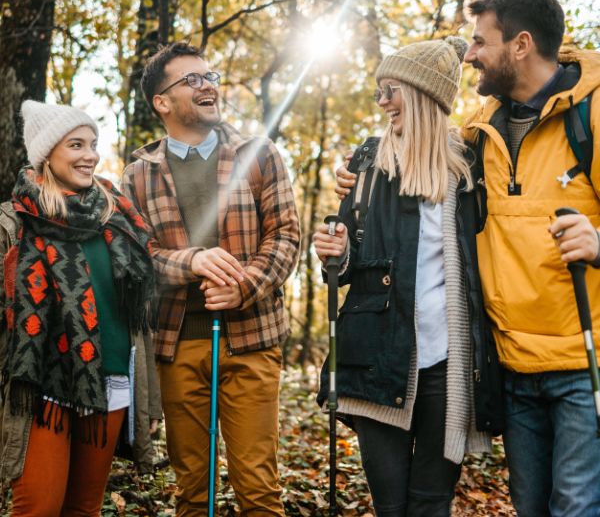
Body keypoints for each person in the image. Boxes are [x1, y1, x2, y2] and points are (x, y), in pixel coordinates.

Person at [335, 0, 600, 517]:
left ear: (520, 44)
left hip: (579, 360)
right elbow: (417, 154)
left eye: (480, 42)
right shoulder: (479, 136)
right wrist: (358, 173)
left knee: (574, 505)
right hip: (513, 365)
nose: (471, 53)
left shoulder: (588, 117)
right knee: (530, 504)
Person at [313, 37, 502, 517]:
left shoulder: (470, 169)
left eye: (391, 90)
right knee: (391, 506)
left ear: (423, 95)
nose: (382, 102)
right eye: (379, 91)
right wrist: (334, 253)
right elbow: (346, 262)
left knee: (432, 504)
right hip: (380, 355)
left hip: (449, 365)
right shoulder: (368, 164)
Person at [121, 42, 300, 516]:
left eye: (211, 76)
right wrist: (193, 261)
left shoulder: (259, 156)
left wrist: (243, 285)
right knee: (192, 493)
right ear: (163, 101)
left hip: (252, 340)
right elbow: (137, 259)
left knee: (259, 489)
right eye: (193, 79)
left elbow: (286, 237)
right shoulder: (138, 176)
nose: (209, 85)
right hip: (178, 347)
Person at [0, 101, 161, 516]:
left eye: (93, 144)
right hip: (41, 386)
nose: (90, 155)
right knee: (37, 508)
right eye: (76, 144)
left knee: (85, 510)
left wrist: (149, 397)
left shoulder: (118, 217)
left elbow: (139, 317)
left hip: (110, 385)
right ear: (46, 153)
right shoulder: (13, 222)